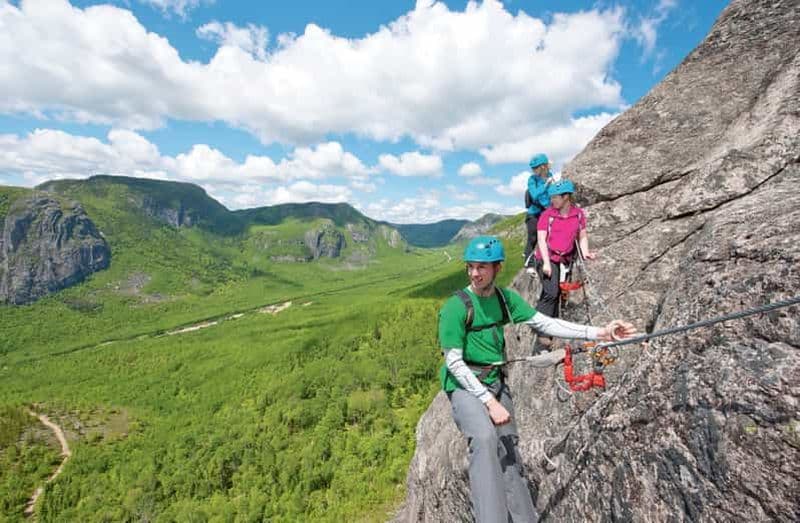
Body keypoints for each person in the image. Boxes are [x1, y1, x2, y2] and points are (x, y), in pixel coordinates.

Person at [438, 236, 636, 523]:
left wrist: (600, 333)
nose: (474, 273)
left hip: (494, 381)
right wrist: (489, 402)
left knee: (508, 449)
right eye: (470, 267)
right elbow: (454, 362)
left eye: (482, 267)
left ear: (497, 268)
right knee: (484, 438)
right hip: (465, 386)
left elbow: (545, 323)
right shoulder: (455, 308)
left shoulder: (504, 299)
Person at [533, 179, 596, 354]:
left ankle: (549, 326)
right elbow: (541, 240)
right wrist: (546, 262)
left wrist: (585, 252)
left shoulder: (578, 214)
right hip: (546, 257)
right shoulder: (547, 215)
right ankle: (540, 332)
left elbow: (582, 236)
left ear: (566, 197)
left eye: (555, 197)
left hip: (563, 258)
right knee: (551, 292)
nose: (552, 200)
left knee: (556, 293)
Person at [524, 154, 554, 274]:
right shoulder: (532, 180)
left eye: (535, 168)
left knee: (546, 237)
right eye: (533, 168)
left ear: (543, 167)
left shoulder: (550, 176)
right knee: (533, 238)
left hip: (546, 212)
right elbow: (535, 195)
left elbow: (551, 194)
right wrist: (546, 184)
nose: (533, 171)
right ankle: (529, 264)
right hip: (534, 214)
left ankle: (544, 258)